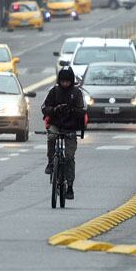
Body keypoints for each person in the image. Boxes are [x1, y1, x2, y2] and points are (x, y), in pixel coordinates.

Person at [41, 66, 86, 201]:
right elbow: (44, 108)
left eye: (67, 81)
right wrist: (54, 110)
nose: (65, 84)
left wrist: (71, 110)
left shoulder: (77, 93)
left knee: (69, 157)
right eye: (62, 81)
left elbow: (83, 110)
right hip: (56, 125)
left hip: (71, 128)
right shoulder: (54, 91)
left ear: (71, 81)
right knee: (51, 136)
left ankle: (70, 186)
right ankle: (50, 162)